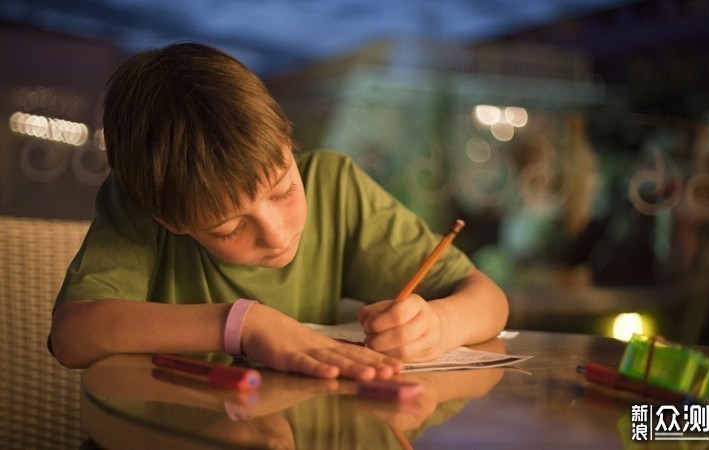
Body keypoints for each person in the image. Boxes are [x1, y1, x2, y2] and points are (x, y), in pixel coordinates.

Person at [49, 42, 508, 380]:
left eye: (284, 190)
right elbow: (73, 336)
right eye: (228, 227)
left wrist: (439, 325)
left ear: (289, 146)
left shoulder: (335, 188)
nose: (275, 233)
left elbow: (488, 299)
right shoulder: (141, 205)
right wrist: (242, 323)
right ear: (170, 221)